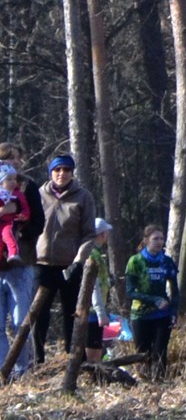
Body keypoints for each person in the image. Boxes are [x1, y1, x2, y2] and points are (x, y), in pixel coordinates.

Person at [33, 154, 97, 363]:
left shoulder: (83, 197)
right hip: (42, 263)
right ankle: (37, 359)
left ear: (72, 173)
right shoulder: (39, 194)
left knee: (72, 314)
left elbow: (89, 233)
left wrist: (79, 260)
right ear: (51, 172)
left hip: (70, 265)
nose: (62, 174)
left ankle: (73, 360)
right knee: (39, 315)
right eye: (57, 170)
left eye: (66, 170)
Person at [0, 143, 46, 373]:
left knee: (21, 322)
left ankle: (22, 371)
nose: (15, 162)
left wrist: (19, 231)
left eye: (18, 158)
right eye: (9, 158)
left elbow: (38, 222)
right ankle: (2, 372)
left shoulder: (28, 186)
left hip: (21, 262)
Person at [126, 224, 179, 381]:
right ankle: (144, 382)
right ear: (146, 240)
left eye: (161, 239)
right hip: (140, 314)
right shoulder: (135, 261)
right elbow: (130, 291)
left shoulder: (167, 262)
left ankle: (160, 384)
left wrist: (174, 311)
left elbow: (175, 290)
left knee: (160, 351)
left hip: (162, 314)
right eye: (155, 238)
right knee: (143, 352)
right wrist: (154, 300)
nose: (159, 242)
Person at [86, 218, 114, 363]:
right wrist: (101, 313)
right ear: (102, 234)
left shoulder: (92, 252)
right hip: (92, 312)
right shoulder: (93, 255)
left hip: (94, 310)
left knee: (96, 350)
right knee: (94, 352)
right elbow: (93, 286)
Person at [0, 164, 29, 263]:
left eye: (14, 179)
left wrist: (24, 215)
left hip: (9, 221)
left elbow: (24, 207)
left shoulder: (17, 194)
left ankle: (13, 255)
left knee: (9, 235)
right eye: (9, 179)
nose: (13, 182)